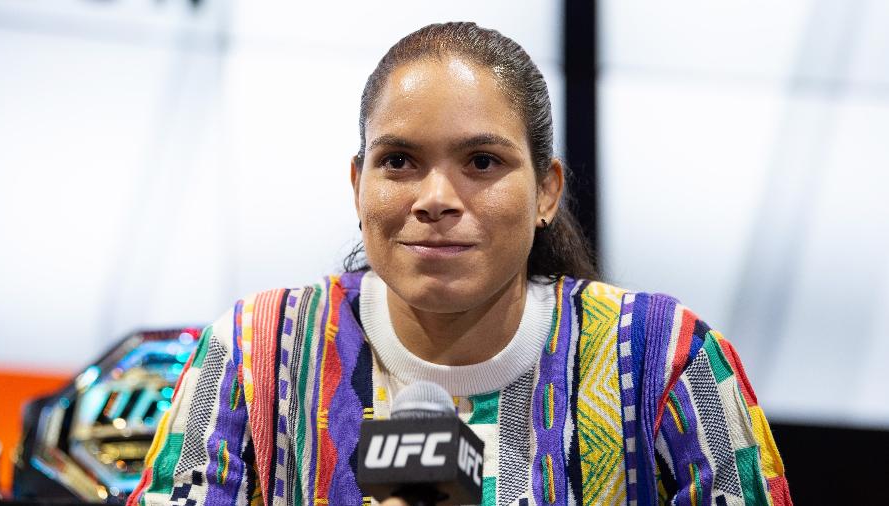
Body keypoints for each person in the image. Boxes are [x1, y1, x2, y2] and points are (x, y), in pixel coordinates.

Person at [128, 22, 792, 506]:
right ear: (358, 185)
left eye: (481, 162)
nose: (436, 200)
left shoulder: (667, 359)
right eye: (399, 162)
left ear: (547, 191)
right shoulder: (255, 349)